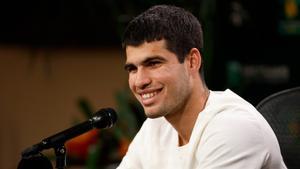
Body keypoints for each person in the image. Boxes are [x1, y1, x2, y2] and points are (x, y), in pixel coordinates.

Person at [117, 4, 287, 169]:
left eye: (153, 63)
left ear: (192, 61)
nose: (140, 81)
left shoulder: (233, 127)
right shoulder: (155, 127)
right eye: (132, 69)